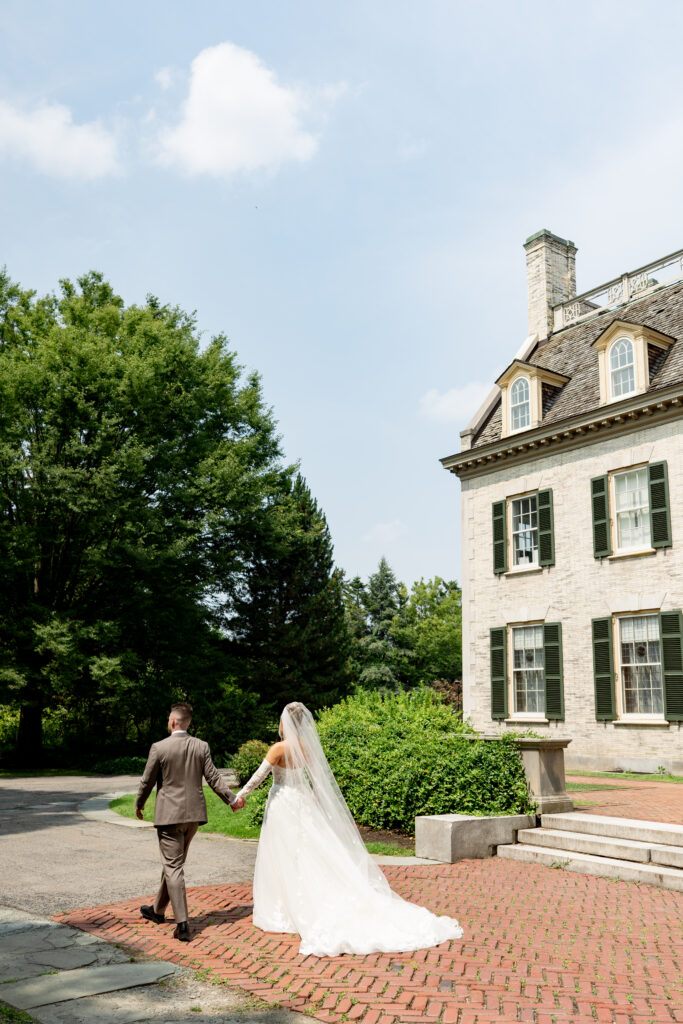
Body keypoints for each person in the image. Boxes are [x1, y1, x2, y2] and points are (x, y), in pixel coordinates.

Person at [235, 701, 463, 957]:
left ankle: (284, 909)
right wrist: (317, 806)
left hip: (283, 804)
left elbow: (258, 777)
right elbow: (318, 783)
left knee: (283, 853)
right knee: (309, 853)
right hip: (303, 802)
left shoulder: (278, 748)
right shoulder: (307, 748)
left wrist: (239, 797)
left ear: (284, 722)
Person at [135, 702, 244, 942]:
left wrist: (139, 803)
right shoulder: (201, 746)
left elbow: (147, 781)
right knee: (173, 863)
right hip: (193, 817)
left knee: (173, 867)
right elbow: (214, 777)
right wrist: (232, 799)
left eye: (168, 719)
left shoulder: (159, 747)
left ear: (173, 721)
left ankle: (183, 924)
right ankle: (157, 910)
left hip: (169, 817)